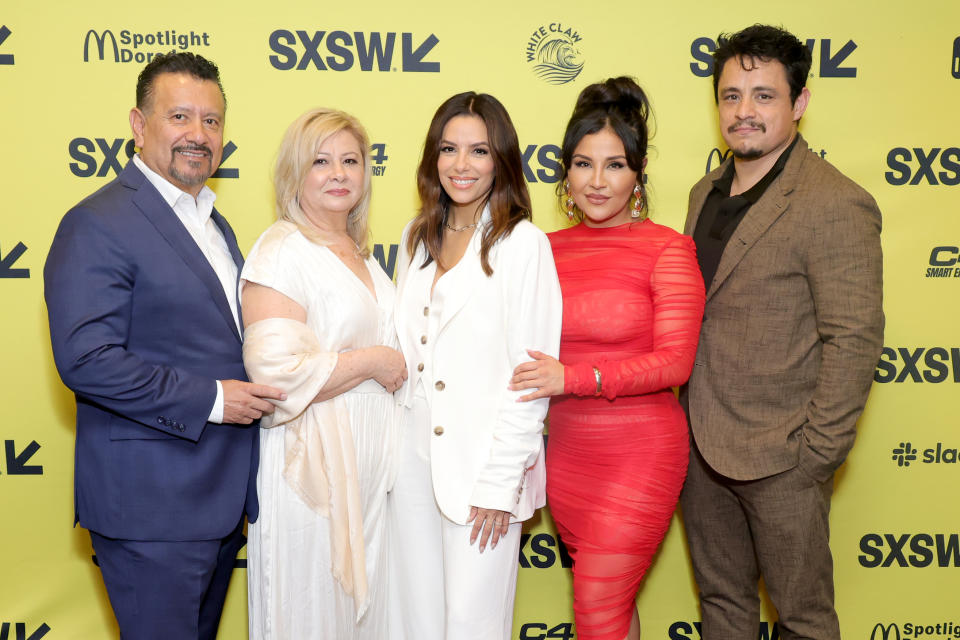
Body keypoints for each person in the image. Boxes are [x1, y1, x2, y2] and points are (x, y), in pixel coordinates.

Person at [44, 52, 285, 640]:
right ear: (138, 122)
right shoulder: (97, 222)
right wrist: (213, 400)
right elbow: (86, 359)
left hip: (219, 502)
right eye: (180, 116)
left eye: (211, 121)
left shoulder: (213, 223)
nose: (198, 135)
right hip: (151, 507)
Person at [679, 24, 884, 639]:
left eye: (763, 95)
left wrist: (814, 456)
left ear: (799, 103)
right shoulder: (702, 193)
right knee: (721, 605)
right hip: (698, 445)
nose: (744, 112)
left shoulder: (834, 203)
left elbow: (854, 337)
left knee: (803, 620)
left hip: (784, 455)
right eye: (731, 95)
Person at [509, 77, 705, 640]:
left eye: (615, 165)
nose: (597, 182)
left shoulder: (668, 248)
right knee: (609, 610)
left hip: (639, 454)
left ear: (638, 173)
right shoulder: (540, 249)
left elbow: (674, 363)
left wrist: (574, 377)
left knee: (598, 611)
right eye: (583, 164)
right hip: (567, 455)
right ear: (565, 172)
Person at [390, 92, 562, 640]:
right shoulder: (415, 239)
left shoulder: (523, 245)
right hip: (409, 467)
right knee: (413, 623)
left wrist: (499, 484)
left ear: (502, 160)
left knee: (472, 627)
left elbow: (531, 377)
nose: (461, 165)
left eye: (479, 151)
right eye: (448, 149)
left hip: (480, 473)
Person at [239, 108, 406, 639]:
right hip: (309, 472)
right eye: (321, 161)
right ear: (295, 173)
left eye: (350, 161)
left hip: (370, 474)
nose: (338, 174)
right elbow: (273, 373)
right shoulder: (282, 249)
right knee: (311, 616)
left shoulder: (363, 254)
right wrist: (373, 361)